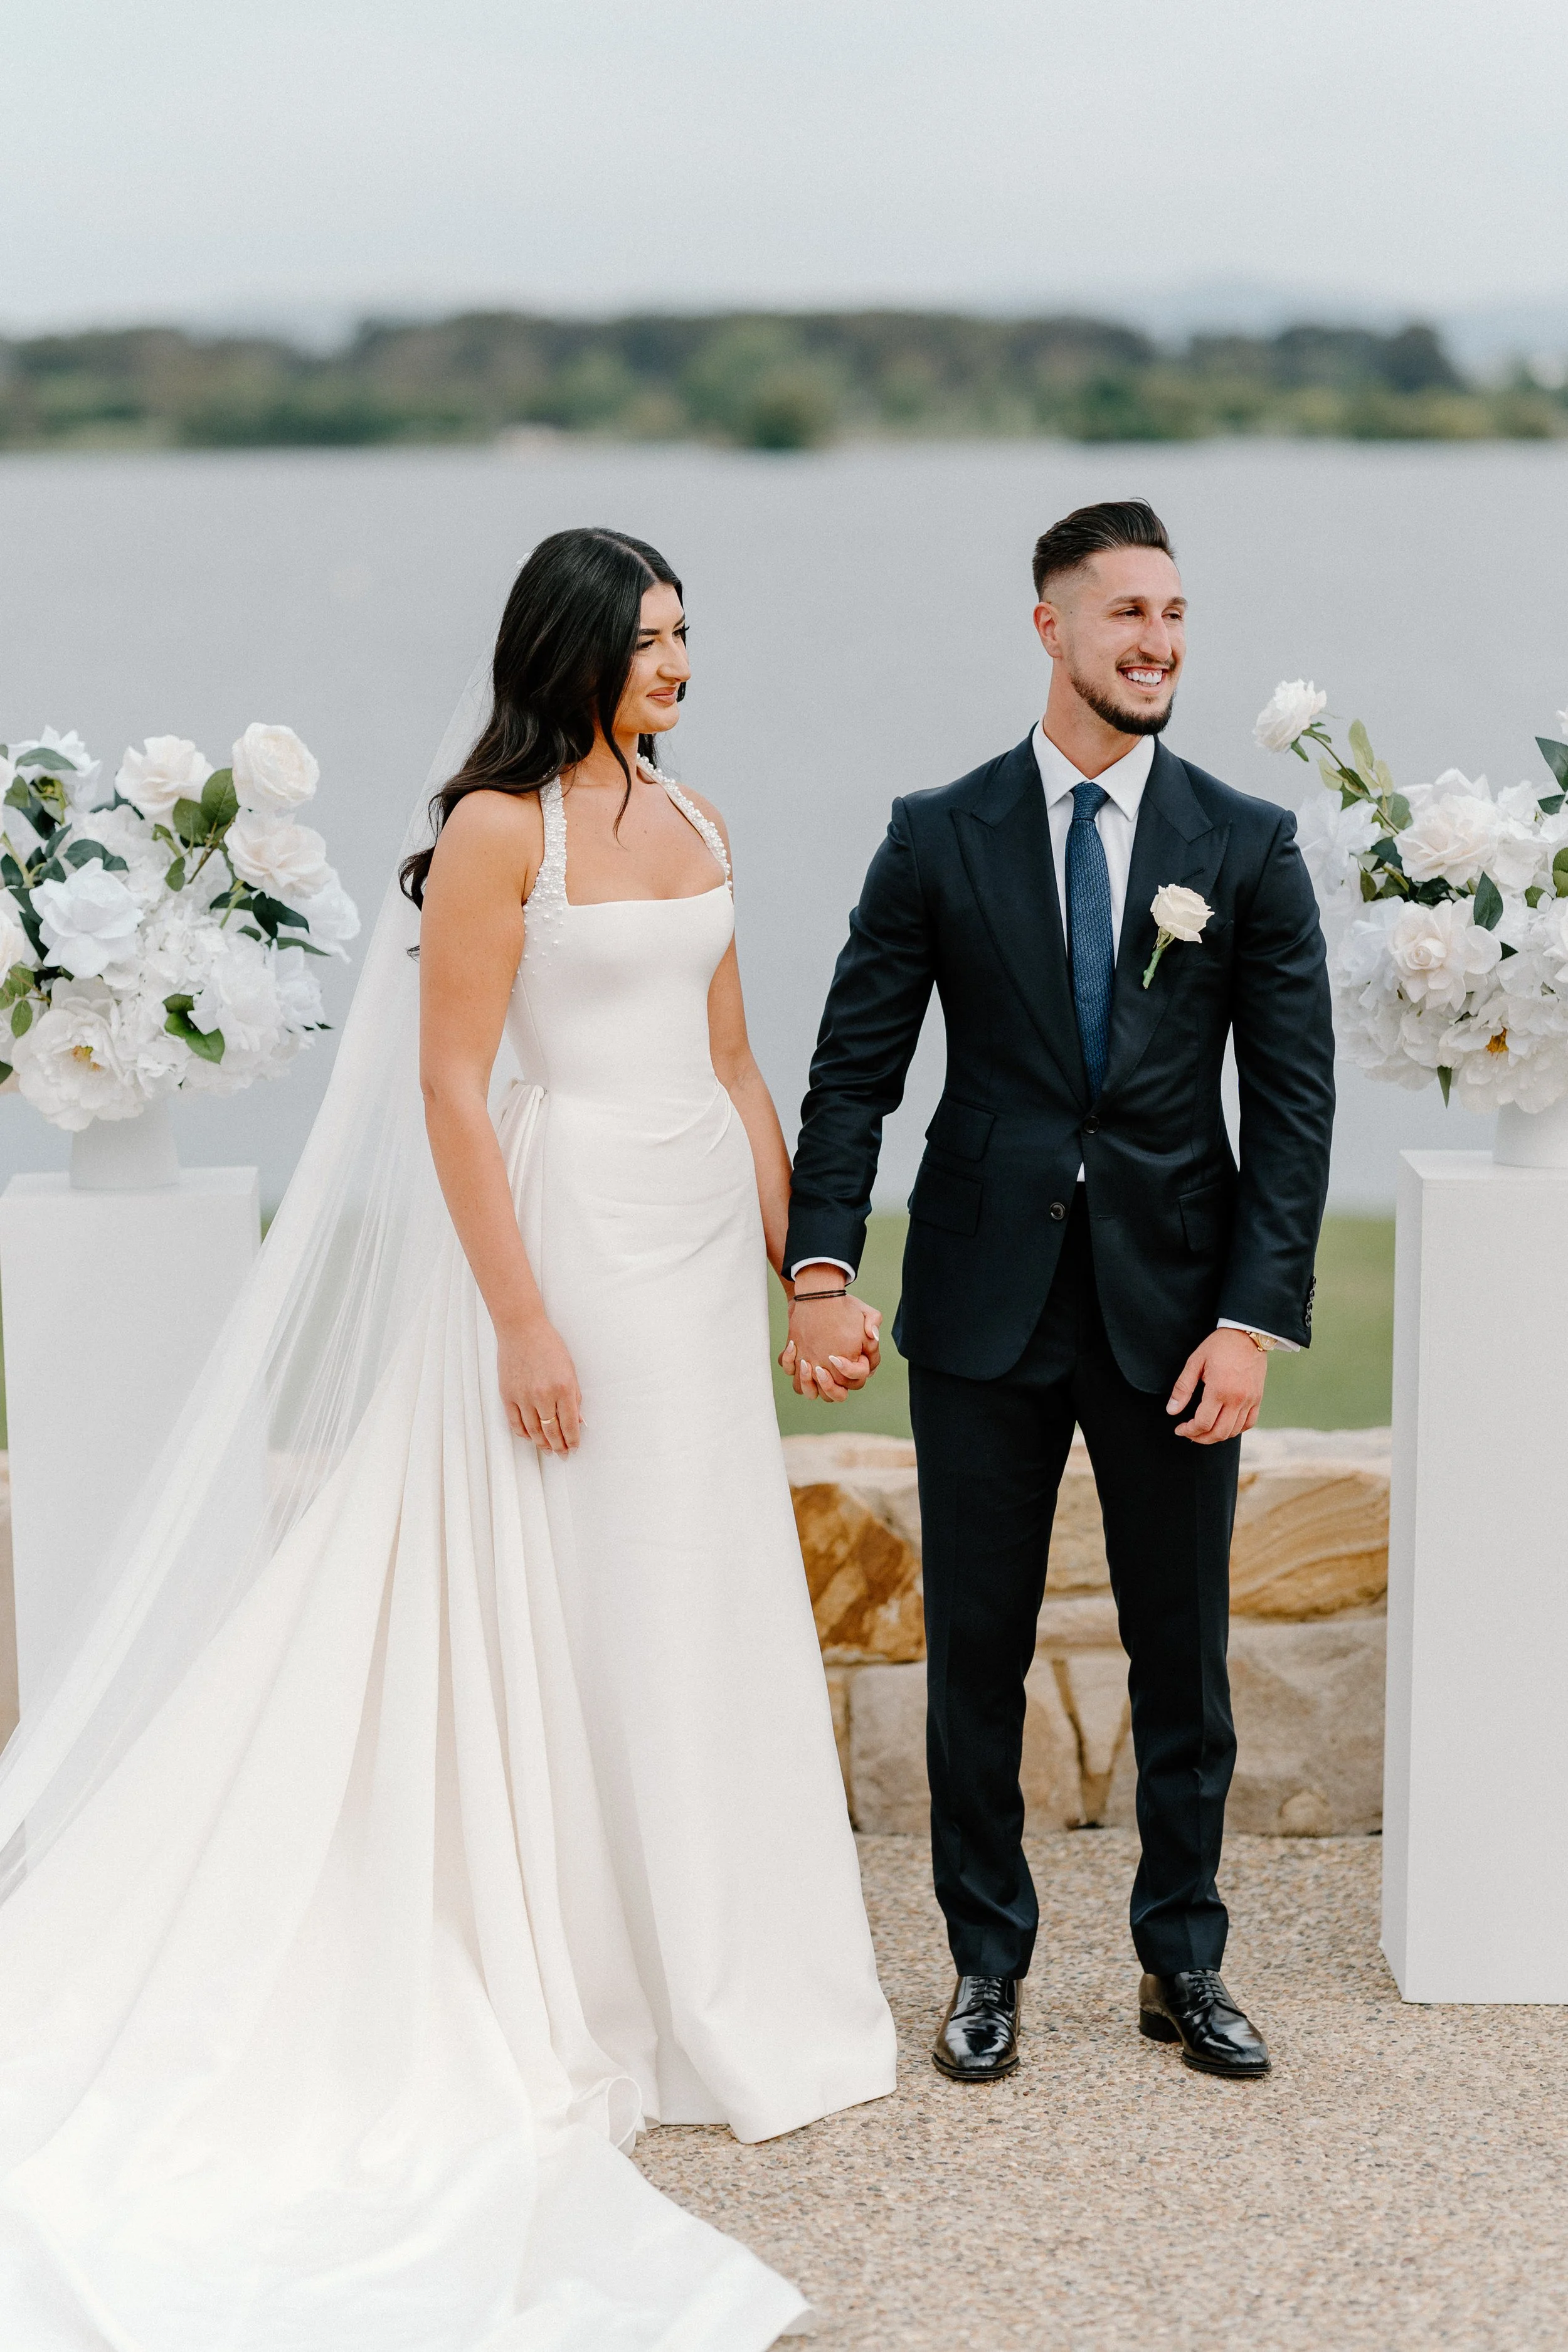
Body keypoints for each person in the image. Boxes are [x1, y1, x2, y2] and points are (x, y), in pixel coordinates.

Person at [0, 529, 894, 2348]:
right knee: (585, 1592)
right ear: (568, 646)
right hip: (568, 1243)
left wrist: (803, 1269)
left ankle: (738, 1967)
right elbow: (450, 1086)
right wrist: (521, 1317)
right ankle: (595, 1973)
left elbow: (734, 1062)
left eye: (684, 637)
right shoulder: (499, 828)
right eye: (648, 641)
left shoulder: (703, 818)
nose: (677, 665)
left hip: (698, 1250)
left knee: (703, 1592)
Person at [781, 499, 1335, 2083]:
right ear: (1050, 629)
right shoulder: (933, 832)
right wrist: (823, 1266)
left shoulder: (1244, 844)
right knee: (975, 1647)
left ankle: (1185, 1960)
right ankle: (982, 1966)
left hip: (1175, 1316)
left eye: (1173, 615)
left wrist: (1250, 1319)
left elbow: (1290, 1107)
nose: (1157, 643)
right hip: (979, 1306)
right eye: (1125, 617)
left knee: (1183, 1652)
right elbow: (852, 1074)